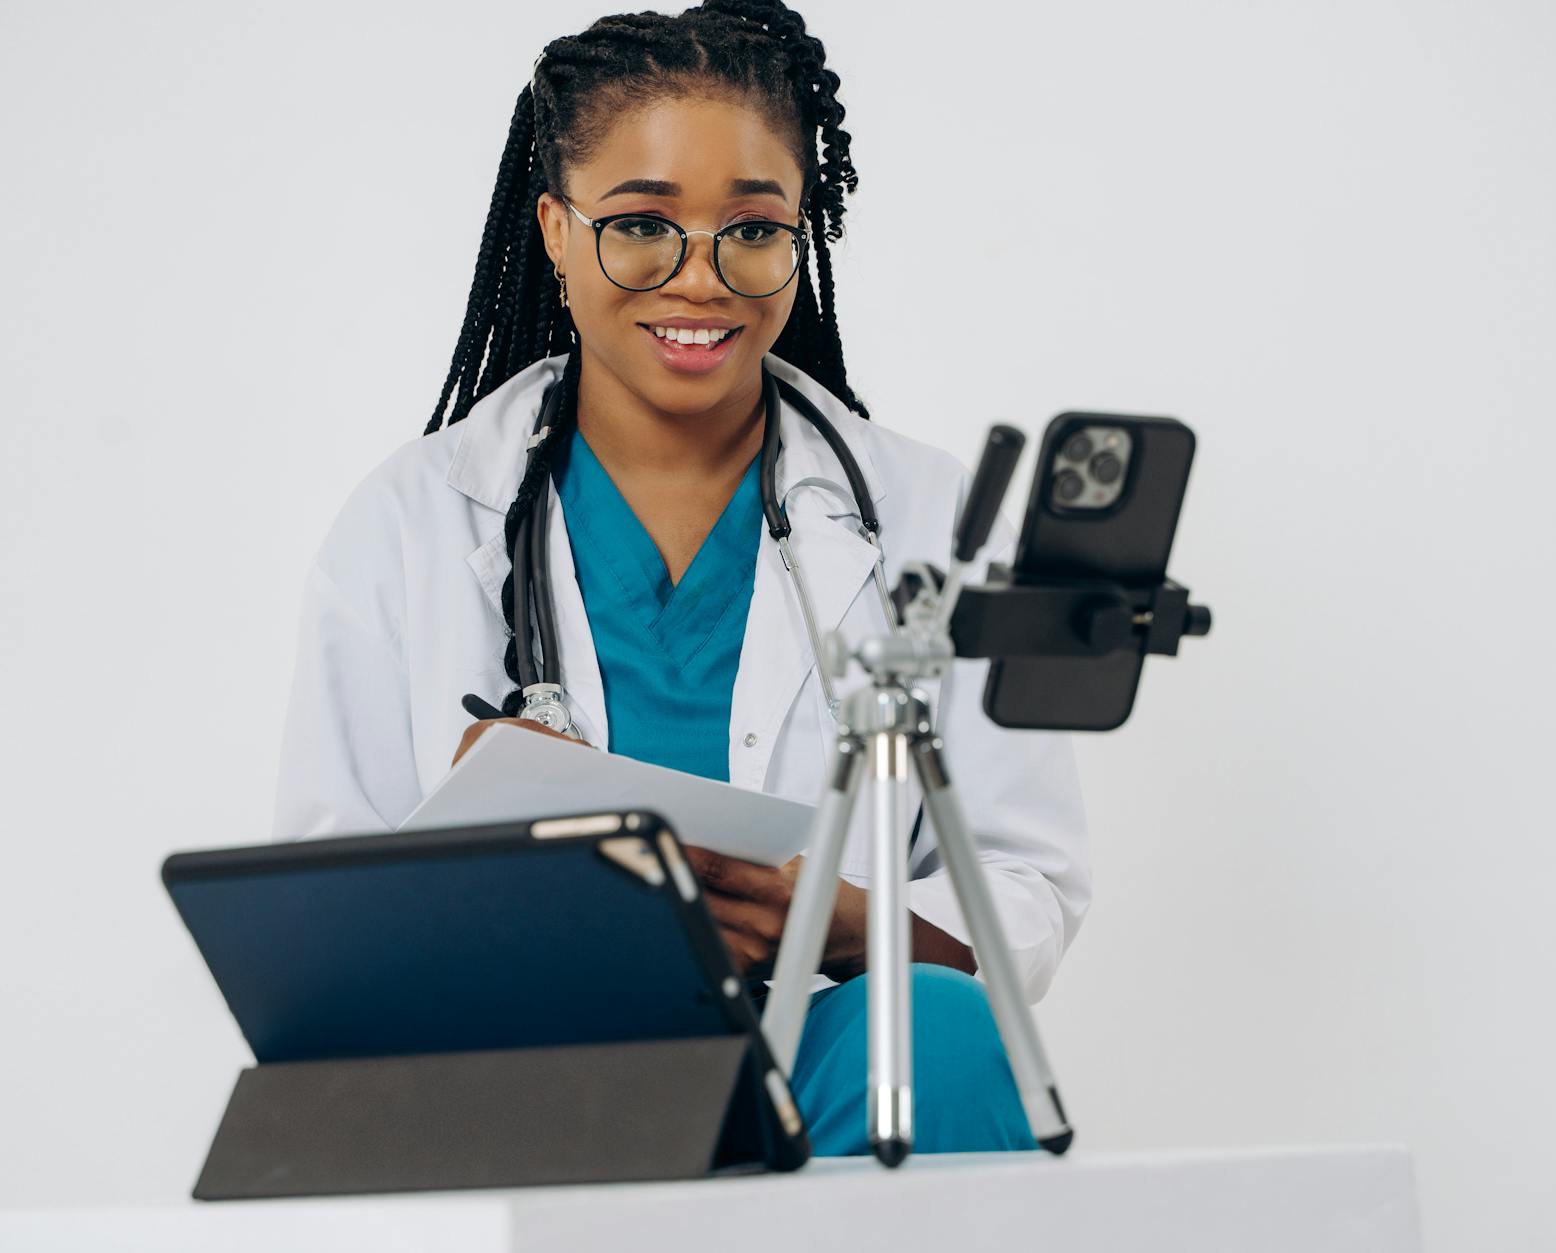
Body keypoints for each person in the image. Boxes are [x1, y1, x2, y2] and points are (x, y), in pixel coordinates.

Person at [270, 0, 1091, 1156]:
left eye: (751, 228)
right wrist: (485, 870)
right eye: (642, 224)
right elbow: (320, 924)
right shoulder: (412, 521)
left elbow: (1026, 877)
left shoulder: (920, 515)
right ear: (555, 233)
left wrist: (842, 917)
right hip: (526, 1072)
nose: (701, 280)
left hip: (816, 1052)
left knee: (940, 1032)